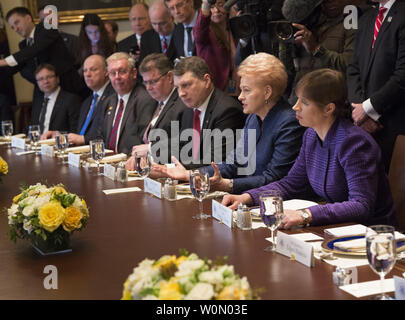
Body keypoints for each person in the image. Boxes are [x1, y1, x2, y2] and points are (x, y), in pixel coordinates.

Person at [222, 68, 396, 228]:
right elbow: (291, 184)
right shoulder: (311, 135)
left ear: (328, 108)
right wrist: (248, 197)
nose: (295, 107)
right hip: (335, 227)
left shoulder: (355, 144)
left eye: (304, 102)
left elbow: (361, 206)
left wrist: (306, 214)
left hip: (371, 235)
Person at [155, 53, 304, 194]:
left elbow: (274, 178)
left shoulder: (289, 123)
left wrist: (228, 185)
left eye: (246, 90)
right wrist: (191, 174)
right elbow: (232, 163)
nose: (240, 97)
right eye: (241, 90)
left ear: (267, 92)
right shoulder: (253, 118)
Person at [151, 56, 245, 170]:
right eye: (177, 87)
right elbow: (182, 148)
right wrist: (150, 157)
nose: (181, 94)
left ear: (206, 81)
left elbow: (216, 161)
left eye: (186, 85)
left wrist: (169, 168)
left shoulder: (227, 111)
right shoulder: (189, 109)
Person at [347, 0, 405, 172]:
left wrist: (368, 108)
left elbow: (403, 74)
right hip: (364, 125)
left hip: (396, 123)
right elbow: (353, 68)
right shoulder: (367, 18)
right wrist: (359, 109)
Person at [0, 7, 83, 98]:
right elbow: (15, 66)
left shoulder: (46, 28)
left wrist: (3, 61)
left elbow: (35, 49)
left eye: (17, 22)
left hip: (67, 89)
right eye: (12, 27)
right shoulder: (23, 45)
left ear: (28, 18)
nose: (15, 29)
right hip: (45, 93)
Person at [284, 0, 356, 102]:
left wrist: (316, 49)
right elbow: (289, 68)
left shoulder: (354, 22)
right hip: (298, 97)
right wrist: (289, 45)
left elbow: (349, 66)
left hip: (329, 100)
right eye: (325, 1)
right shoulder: (309, 19)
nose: (331, 2)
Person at [125, 53, 187, 170]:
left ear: (169, 77)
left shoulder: (182, 103)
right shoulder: (155, 101)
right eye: (145, 82)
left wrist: (150, 150)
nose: (148, 88)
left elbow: (183, 143)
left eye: (153, 81)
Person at [95, 52, 157, 155]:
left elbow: (143, 140)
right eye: (112, 73)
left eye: (122, 72)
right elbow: (100, 137)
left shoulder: (145, 99)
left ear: (134, 73)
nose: (117, 77)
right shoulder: (109, 101)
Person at [68, 55, 114, 146]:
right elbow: (78, 134)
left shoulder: (113, 97)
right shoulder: (86, 102)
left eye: (93, 69)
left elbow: (109, 133)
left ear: (106, 72)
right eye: (85, 70)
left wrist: (84, 139)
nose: (87, 74)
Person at [194, 0, 239, 94]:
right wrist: (206, 5)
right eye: (212, 7)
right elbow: (199, 32)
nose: (216, 10)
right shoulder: (205, 32)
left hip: (237, 85)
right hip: (215, 89)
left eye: (220, 5)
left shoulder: (233, 27)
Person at [33, 64, 81, 137]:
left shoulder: (71, 100)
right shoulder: (38, 102)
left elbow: (75, 131)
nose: (45, 81)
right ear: (37, 83)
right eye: (41, 79)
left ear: (57, 79)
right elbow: (33, 128)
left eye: (49, 77)